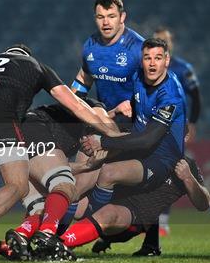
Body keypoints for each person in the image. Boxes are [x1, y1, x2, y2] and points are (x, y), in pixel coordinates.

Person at [0, 44, 120, 263]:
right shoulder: (37, 67)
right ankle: (45, 234)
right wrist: (114, 135)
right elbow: (82, 108)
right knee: (63, 185)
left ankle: (6, 230)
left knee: (34, 202)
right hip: (23, 126)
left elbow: (45, 164)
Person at [75, 38, 186, 240]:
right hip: (140, 149)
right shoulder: (137, 77)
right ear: (141, 60)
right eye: (147, 58)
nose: (152, 63)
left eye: (158, 58)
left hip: (162, 160)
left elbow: (147, 140)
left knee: (108, 173)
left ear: (167, 60)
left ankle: (92, 225)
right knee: (86, 178)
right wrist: (119, 109)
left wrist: (103, 142)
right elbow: (140, 111)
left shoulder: (171, 96)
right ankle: (57, 230)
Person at [120, 25, 203, 256]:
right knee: (148, 182)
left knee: (166, 175)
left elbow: (195, 97)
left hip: (170, 127)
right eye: (149, 55)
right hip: (150, 128)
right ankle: (145, 235)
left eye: (163, 42)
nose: (153, 61)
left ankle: (152, 229)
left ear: (169, 49)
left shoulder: (182, 70)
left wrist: (190, 122)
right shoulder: (143, 70)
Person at [58, 158, 210, 254]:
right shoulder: (145, 148)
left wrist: (188, 178)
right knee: (69, 199)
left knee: (109, 214)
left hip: (132, 218)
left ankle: (60, 245)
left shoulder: (185, 165)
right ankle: (47, 235)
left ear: (185, 137)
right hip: (107, 201)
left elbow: (204, 204)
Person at [71, 0, 145, 120]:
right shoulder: (90, 45)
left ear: (122, 17)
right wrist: (70, 104)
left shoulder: (139, 48)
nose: (106, 22)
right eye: (101, 17)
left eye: (111, 16)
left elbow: (159, 86)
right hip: (107, 117)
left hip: (135, 117)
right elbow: (84, 78)